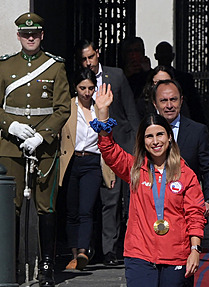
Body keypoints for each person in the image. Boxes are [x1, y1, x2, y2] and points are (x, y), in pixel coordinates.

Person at [94, 83, 206, 287]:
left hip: (175, 255)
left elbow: (196, 214)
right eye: (149, 136)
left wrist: (195, 249)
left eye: (160, 135)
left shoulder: (185, 174)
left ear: (169, 138)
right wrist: (103, 115)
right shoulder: (134, 169)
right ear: (143, 142)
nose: (155, 141)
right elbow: (108, 150)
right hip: (140, 254)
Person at [0, 12, 70, 287]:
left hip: (43, 149)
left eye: (35, 33)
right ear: (18, 35)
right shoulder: (5, 65)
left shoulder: (55, 66)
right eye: (25, 33)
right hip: (12, 146)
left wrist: (43, 136)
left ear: (42, 35)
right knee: (11, 207)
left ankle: (46, 267)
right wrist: (11, 127)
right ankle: (8, 268)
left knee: (46, 207)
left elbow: (62, 109)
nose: (30, 37)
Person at [153, 79, 209, 287]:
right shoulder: (148, 130)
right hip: (155, 212)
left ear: (181, 101)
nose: (169, 105)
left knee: (184, 268)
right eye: (163, 101)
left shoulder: (197, 130)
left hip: (186, 211)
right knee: (155, 265)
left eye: (173, 100)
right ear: (155, 104)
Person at [75, 39, 140, 267]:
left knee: (131, 198)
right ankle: (109, 250)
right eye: (84, 59)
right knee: (109, 200)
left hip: (123, 143)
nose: (88, 62)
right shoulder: (81, 81)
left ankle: (132, 245)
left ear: (98, 54)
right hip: (98, 148)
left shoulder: (117, 75)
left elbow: (130, 112)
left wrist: (136, 146)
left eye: (91, 57)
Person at [59, 68, 115, 271]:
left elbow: (108, 138)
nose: (87, 92)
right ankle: (74, 253)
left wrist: (110, 170)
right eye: (83, 88)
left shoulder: (99, 108)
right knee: (72, 210)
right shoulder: (67, 106)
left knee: (86, 209)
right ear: (75, 88)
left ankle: (83, 250)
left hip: (92, 162)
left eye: (91, 88)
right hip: (72, 161)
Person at [154, 42, 206, 124]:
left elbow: (194, 104)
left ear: (173, 56)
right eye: (162, 53)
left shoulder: (185, 78)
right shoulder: (150, 76)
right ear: (156, 56)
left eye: (167, 53)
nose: (164, 57)